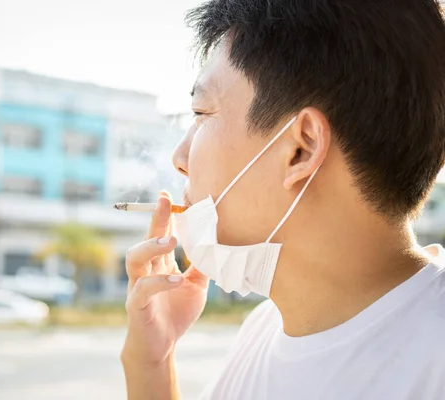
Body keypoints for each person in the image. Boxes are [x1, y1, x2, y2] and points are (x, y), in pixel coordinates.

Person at [120, 0, 445, 399]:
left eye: (201, 112)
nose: (180, 158)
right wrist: (151, 360)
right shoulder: (262, 330)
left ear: (301, 149)